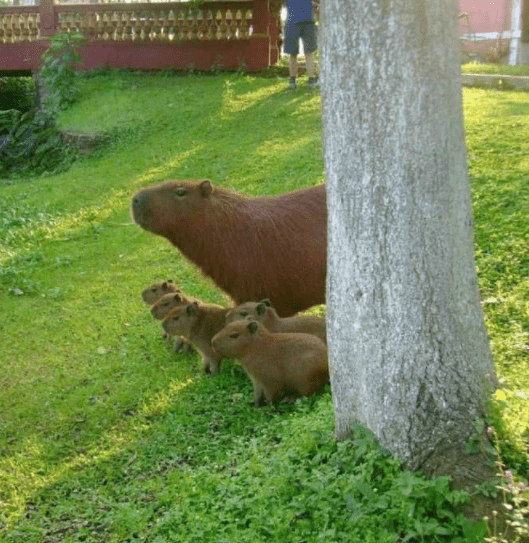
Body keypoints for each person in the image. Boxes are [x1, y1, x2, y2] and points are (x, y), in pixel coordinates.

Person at [284, 0, 319, 89]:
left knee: (301, 53)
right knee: (304, 53)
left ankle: (296, 81)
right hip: (301, 21)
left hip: (299, 22)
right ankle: (307, 81)